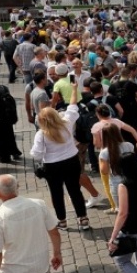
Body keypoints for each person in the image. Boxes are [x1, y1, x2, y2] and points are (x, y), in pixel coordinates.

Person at [0, 175, 62, 273]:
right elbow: (54, 233)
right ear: (17, 186)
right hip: (39, 269)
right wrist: (57, 254)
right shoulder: (39, 205)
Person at [31, 86, 91, 232]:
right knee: (75, 190)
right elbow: (72, 106)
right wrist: (74, 89)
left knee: (56, 193)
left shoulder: (41, 134)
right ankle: (83, 219)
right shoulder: (67, 123)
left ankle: (62, 221)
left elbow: (37, 154)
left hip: (52, 166)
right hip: (71, 161)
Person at [99, 123, 135, 215]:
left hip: (116, 183)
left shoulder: (104, 152)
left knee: (121, 210)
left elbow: (104, 171)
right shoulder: (129, 145)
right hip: (131, 179)